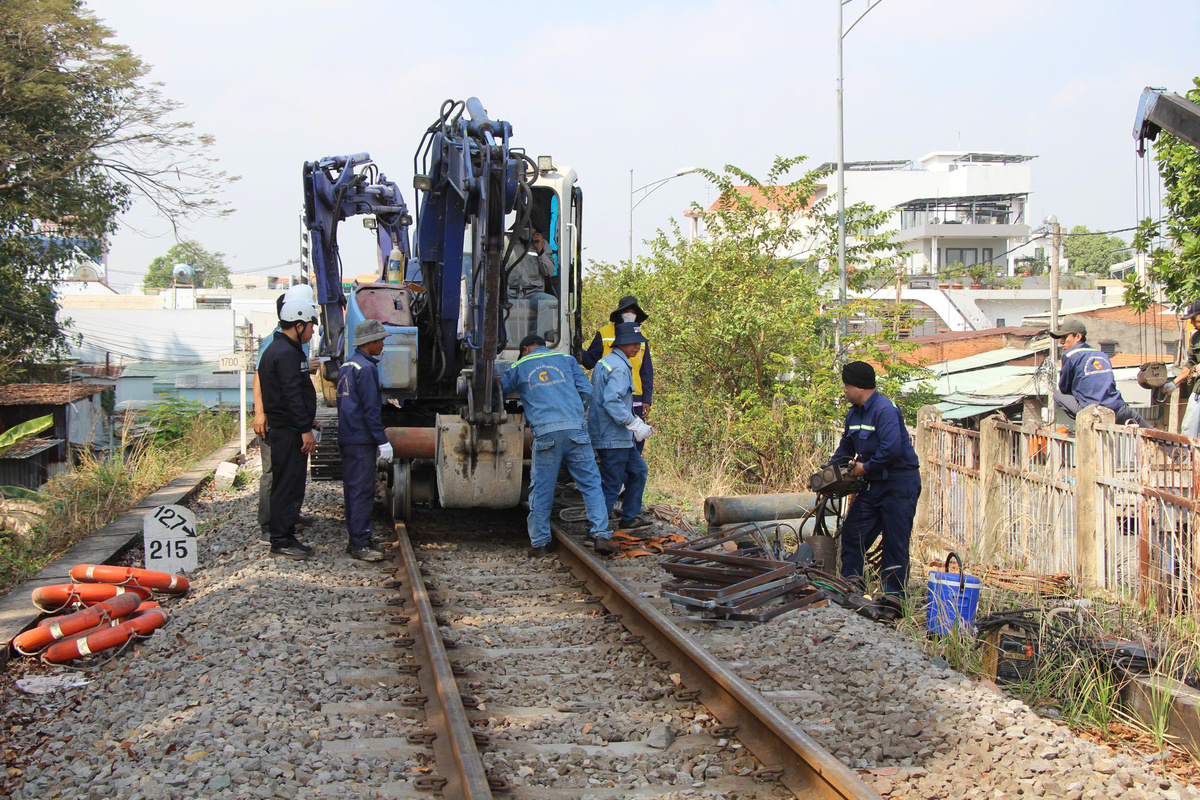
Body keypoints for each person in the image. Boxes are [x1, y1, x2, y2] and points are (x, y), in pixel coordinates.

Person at [500, 333, 612, 557]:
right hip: (576, 431)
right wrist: (575, 412)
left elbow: (497, 391)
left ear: (525, 350)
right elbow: (587, 391)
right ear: (544, 346)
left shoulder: (519, 366)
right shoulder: (566, 359)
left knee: (542, 489)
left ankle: (540, 543)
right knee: (591, 484)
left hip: (546, 434)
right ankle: (600, 535)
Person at [829, 361, 921, 599]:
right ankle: (851, 587)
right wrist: (829, 471)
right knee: (853, 533)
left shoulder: (885, 410)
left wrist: (865, 467)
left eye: (847, 385)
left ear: (859, 387)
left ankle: (892, 598)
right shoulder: (854, 413)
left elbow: (891, 449)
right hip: (874, 484)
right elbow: (846, 447)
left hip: (899, 484)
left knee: (894, 541)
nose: (845, 390)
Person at [253, 284, 317, 544]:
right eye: (311, 326)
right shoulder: (284, 352)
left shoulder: (286, 349)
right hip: (287, 430)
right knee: (283, 482)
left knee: (288, 482)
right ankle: (278, 535)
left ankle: (284, 529)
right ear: (298, 325)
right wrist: (305, 429)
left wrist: (307, 419)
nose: (313, 332)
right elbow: (290, 394)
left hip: (289, 427)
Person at [588, 322, 656, 535]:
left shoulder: (607, 362)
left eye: (639, 343)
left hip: (617, 436)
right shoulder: (619, 367)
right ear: (621, 344)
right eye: (633, 343)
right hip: (613, 436)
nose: (637, 347)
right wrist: (634, 423)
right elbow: (612, 401)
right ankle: (597, 532)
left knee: (638, 470)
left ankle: (629, 518)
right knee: (612, 482)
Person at [337, 320, 393, 562]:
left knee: (353, 489)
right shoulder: (367, 369)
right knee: (362, 490)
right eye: (381, 340)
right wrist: (382, 440)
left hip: (348, 436)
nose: (383, 345)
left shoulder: (348, 365)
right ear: (369, 342)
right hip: (361, 439)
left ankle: (359, 538)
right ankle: (359, 543)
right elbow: (371, 409)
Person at [581, 295, 653, 453]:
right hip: (611, 396)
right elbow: (589, 361)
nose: (630, 314)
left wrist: (647, 398)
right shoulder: (604, 333)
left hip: (636, 396)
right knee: (615, 440)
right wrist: (578, 348)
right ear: (619, 313)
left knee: (636, 442)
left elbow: (646, 370)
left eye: (633, 311)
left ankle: (630, 467)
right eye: (627, 310)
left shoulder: (641, 336)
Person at [1051, 317, 1150, 428]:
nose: (1062, 342)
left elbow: (1064, 388)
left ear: (1078, 337)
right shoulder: (1101, 354)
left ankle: (1086, 421)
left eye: (1065, 337)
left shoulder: (1070, 355)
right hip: (1118, 408)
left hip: (1095, 411)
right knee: (1150, 432)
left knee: (1058, 394)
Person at [506, 227, 558, 341]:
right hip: (510, 294)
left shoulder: (543, 245)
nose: (528, 229)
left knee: (550, 302)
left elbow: (549, 271)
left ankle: (534, 341)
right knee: (496, 304)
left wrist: (540, 250)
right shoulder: (506, 242)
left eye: (531, 227)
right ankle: (505, 341)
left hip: (533, 294)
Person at [1161, 301, 1200, 437]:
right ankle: (1188, 451)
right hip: (1199, 390)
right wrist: (1174, 383)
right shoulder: (1196, 338)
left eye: (1194, 318)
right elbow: (1191, 363)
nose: (1192, 323)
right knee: (1188, 427)